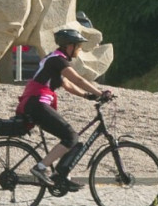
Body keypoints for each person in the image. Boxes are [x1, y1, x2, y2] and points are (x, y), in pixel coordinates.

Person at [15, 26, 113, 185]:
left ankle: (61, 176)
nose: (80, 49)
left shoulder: (54, 59)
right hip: (37, 104)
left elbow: (66, 84)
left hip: (35, 104)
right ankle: (40, 168)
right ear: (69, 46)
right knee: (70, 136)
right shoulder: (58, 60)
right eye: (78, 46)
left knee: (73, 140)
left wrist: (86, 95)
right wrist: (100, 93)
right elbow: (77, 80)